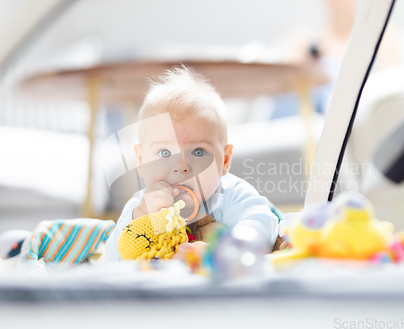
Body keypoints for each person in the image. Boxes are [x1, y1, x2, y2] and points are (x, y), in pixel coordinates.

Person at [105, 66, 279, 261]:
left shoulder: (232, 194)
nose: (181, 166)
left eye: (198, 152)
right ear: (141, 161)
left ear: (225, 161)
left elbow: (261, 224)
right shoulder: (140, 205)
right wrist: (142, 216)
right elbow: (112, 258)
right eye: (164, 153)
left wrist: (224, 251)